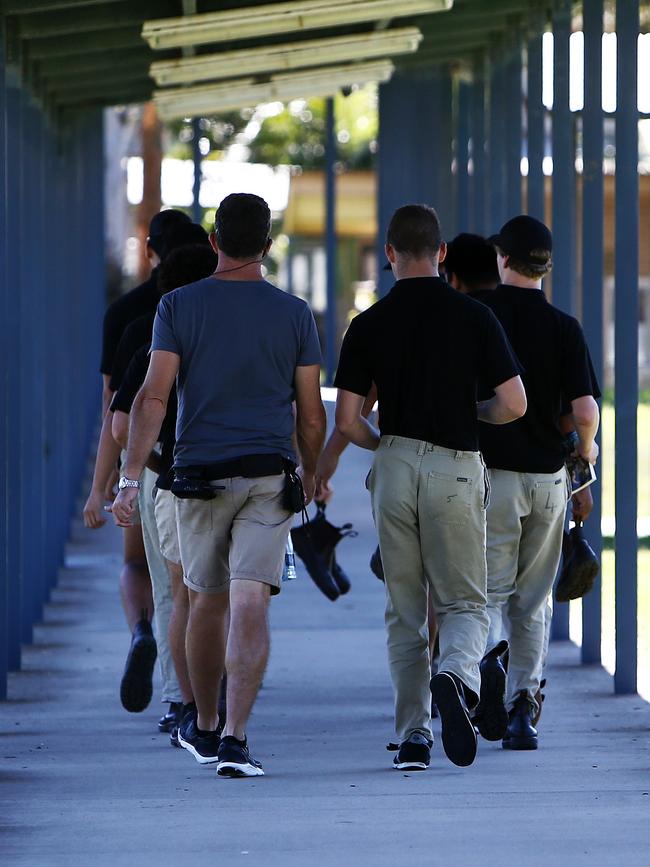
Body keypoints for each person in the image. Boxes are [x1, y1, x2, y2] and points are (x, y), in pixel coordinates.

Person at [111, 193, 326, 778]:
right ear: (269, 244)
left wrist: (129, 480)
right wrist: (314, 473)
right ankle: (236, 736)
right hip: (268, 476)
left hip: (197, 477)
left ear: (213, 242)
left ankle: (203, 724)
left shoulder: (177, 306)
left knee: (205, 601)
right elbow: (310, 413)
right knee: (252, 600)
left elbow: (152, 397)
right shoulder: (295, 313)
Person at [333, 204, 526, 771]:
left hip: (394, 464)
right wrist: (472, 414)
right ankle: (455, 674)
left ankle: (413, 736)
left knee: (403, 609)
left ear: (389, 254)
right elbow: (514, 403)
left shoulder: (367, 324)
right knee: (465, 600)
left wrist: (387, 445)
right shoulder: (474, 316)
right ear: (442, 254)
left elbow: (347, 420)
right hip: (456, 465)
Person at [474, 215, 600, 751]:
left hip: (490, 477)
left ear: (503, 258)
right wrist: (585, 453)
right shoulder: (564, 327)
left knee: (483, 595)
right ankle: (524, 706)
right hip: (548, 480)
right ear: (545, 266)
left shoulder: (480, 317)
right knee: (532, 600)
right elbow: (586, 410)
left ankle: (476, 688)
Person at [83, 209, 191, 714]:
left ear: (151, 252)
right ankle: (203, 692)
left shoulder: (129, 317)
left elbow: (115, 412)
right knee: (208, 586)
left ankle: (143, 632)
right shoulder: (216, 316)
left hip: (149, 466)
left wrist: (104, 482)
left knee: (141, 566)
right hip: (219, 465)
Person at [110, 240, 218, 737]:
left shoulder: (147, 336)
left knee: (174, 592)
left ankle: (182, 702)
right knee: (224, 598)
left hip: (168, 478)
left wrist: (133, 474)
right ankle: (216, 705)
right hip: (234, 473)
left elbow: (117, 427)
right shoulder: (226, 331)